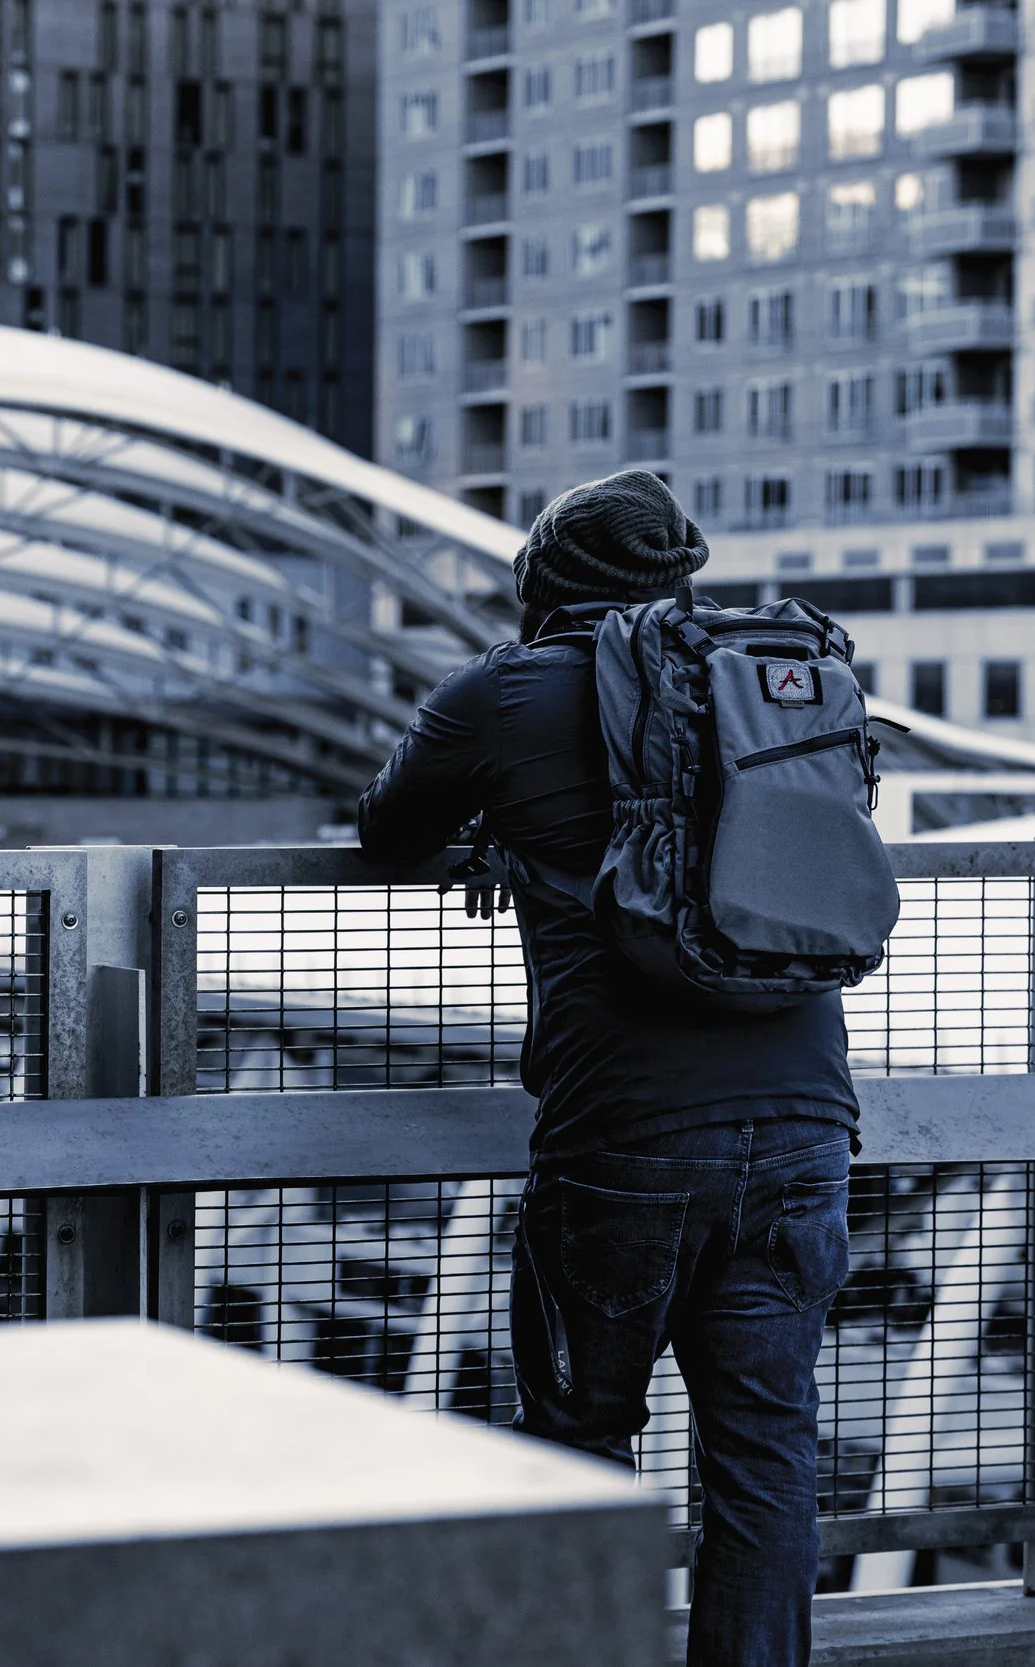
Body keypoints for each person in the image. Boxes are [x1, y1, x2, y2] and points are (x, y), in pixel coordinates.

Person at [357, 470, 856, 1667]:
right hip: (805, 1123)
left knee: (579, 1444)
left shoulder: (507, 688)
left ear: (541, 579)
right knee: (766, 1449)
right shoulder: (760, 679)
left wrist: (502, 826)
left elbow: (385, 834)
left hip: (622, 1136)